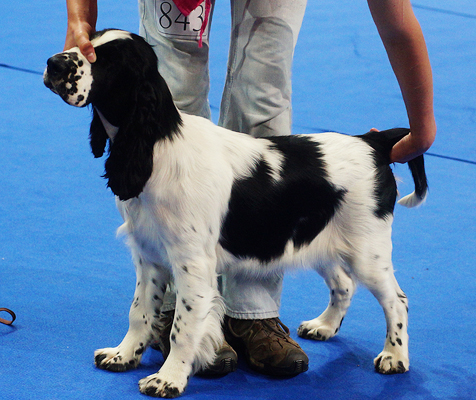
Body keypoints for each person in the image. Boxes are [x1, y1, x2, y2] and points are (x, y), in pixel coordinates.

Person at [64, 0, 436, 376]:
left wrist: (421, 125)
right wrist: (79, 19)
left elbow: (396, 22)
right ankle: (173, 314)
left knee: (263, 86)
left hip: (342, 183)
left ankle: (253, 315)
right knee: (174, 76)